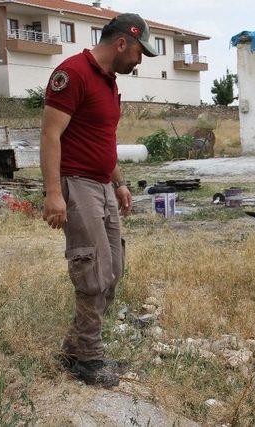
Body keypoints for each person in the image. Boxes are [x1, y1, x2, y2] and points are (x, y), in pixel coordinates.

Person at [40, 13, 158, 388]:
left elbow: (102, 141)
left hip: (103, 186)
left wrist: (119, 183)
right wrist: (54, 193)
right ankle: (86, 358)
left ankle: (75, 348)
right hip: (77, 186)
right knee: (92, 271)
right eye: (140, 53)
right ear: (122, 43)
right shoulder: (72, 74)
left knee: (113, 269)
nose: (140, 62)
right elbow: (49, 136)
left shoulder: (108, 82)